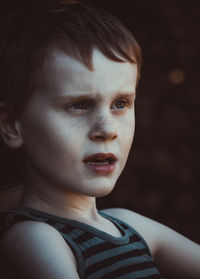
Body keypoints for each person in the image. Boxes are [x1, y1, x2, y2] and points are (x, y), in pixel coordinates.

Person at [0, 0, 199, 278]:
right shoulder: (36, 238)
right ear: (11, 126)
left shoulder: (128, 225)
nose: (107, 129)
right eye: (79, 105)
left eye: (120, 103)